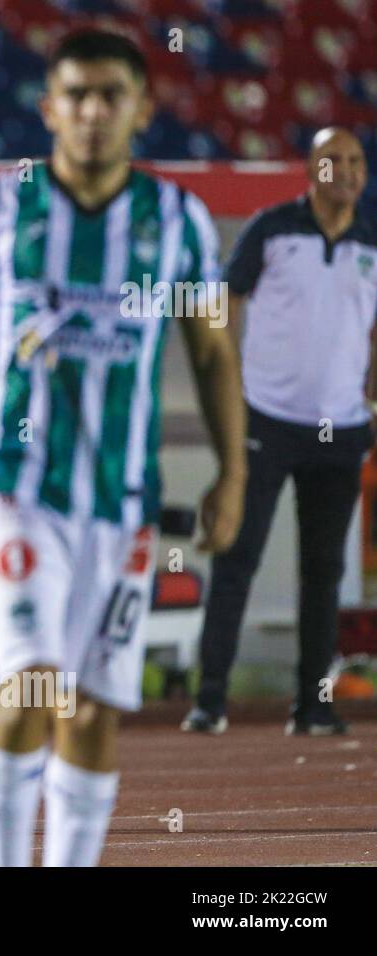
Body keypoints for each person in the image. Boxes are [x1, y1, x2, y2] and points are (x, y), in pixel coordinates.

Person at [0, 30, 246, 867]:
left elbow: (211, 351)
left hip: (124, 500)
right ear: (49, 108)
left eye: (110, 94)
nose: (93, 111)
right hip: (17, 486)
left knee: (93, 710)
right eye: (77, 95)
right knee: (31, 686)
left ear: (142, 107)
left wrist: (232, 473)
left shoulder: (179, 221)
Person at [183, 127, 376, 737]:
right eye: (330, 161)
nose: (342, 171)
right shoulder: (271, 229)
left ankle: (312, 704)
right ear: (311, 170)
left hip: (341, 429)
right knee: (238, 557)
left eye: (353, 161)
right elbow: (222, 299)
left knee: (323, 574)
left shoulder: (373, 242)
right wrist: (227, 373)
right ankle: (210, 700)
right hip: (265, 419)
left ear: (364, 175)